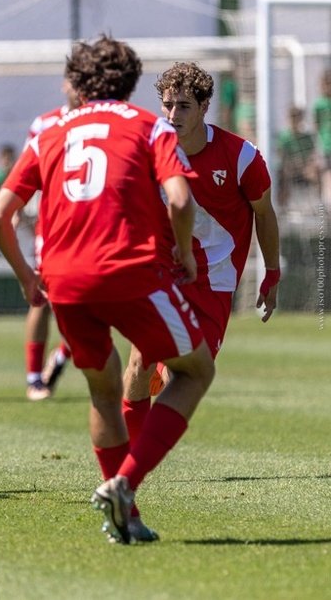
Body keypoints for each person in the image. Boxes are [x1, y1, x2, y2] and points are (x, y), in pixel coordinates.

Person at [0, 35, 215, 545]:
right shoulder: (150, 125)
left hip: (64, 279)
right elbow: (180, 201)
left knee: (103, 391)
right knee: (195, 370)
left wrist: (27, 276)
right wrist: (181, 253)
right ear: (131, 82)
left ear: (76, 82)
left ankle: (125, 520)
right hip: (131, 271)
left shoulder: (47, 127)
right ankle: (124, 486)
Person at [121, 61, 281, 446]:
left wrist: (271, 272)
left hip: (215, 281)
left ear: (205, 106)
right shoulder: (148, 150)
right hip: (161, 272)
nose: (173, 115)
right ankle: (131, 463)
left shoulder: (241, 157)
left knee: (188, 376)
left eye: (184, 106)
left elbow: (264, 213)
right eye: (167, 104)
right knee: (140, 362)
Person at [19, 80, 80, 401]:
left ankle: (60, 358)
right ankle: (34, 378)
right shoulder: (44, 125)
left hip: (94, 226)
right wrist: (14, 206)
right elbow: (28, 173)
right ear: (65, 83)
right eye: (75, 79)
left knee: (89, 307)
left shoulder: (102, 121)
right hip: (53, 225)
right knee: (41, 298)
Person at [275, 105, 320, 209]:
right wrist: (293, 164)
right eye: (292, 117)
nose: (294, 120)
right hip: (289, 169)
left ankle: (318, 206)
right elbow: (282, 157)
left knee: (315, 172)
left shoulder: (307, 137)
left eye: (297, 117)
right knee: (283, 173)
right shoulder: (284, 137)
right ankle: (282, 208)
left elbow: (313, 156)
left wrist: (308, 165)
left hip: (304, 169)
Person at [313, 69, 331, 208]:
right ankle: (325, 208)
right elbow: (316, 125)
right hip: (326, 147)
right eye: (326, 84)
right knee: (326, 177)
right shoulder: (319, 104)